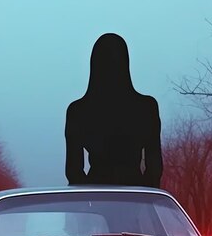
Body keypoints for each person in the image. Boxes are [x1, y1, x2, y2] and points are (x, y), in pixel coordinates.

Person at [65, 33, 163, 188]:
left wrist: (89, 199)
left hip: (96, 192)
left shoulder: (78, 111)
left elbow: (73, 171)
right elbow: (154, 168)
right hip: (136, 193)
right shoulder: (147, 107)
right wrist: (142, 198)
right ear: (126, 62)